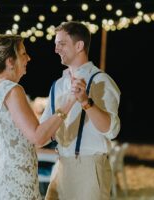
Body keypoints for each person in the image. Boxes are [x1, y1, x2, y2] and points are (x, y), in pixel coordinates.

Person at [0, 34, 76, 200]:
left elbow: (23, 138)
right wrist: (69, 102)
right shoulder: (13, 90)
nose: (28, 58)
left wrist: (52, 129)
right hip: (14, 177)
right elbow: (37, 138)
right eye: (23, 54)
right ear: (10, 61)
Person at [40, 21, 121, 200]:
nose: (56, 49)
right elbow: (43, 132)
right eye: (55, 45)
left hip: (89, 168)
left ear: (79, 46)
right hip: (61, 165)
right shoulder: (58, 85)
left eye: (61, 44)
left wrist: (86, 102)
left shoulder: (101, 81)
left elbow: (111, 130)